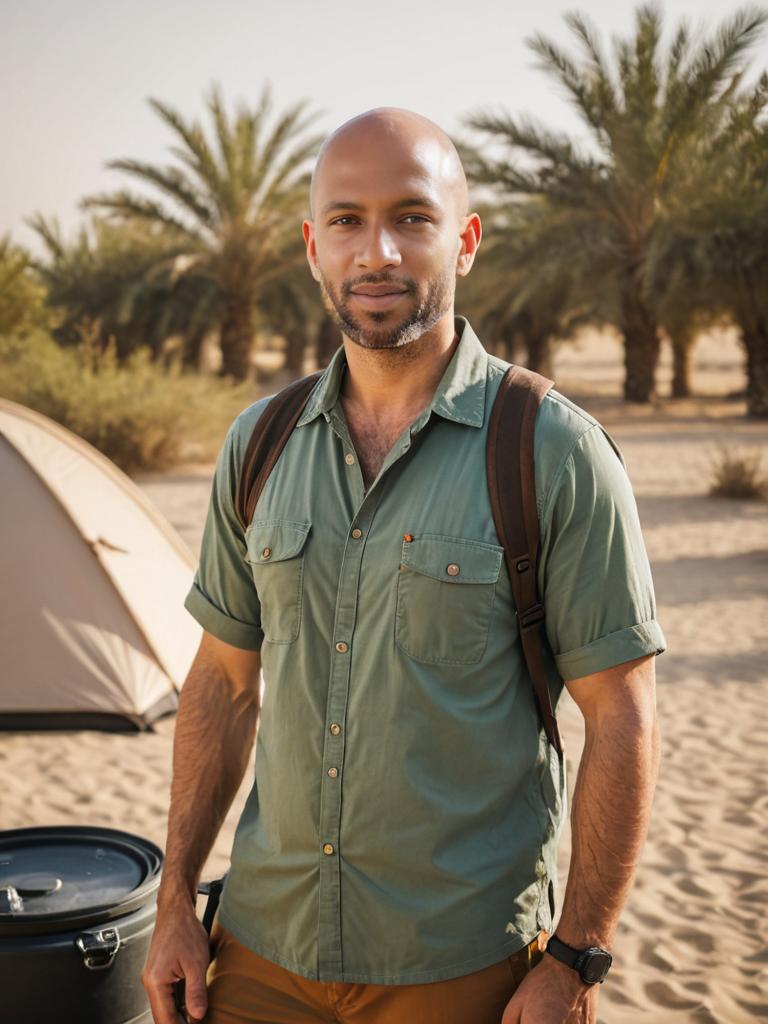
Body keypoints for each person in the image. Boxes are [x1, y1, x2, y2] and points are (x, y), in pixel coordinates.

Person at [142, 108, 666, 1024]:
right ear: (312, 246)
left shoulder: (551, 451)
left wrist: (575, 960)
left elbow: (621, 720)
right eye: (346, 220)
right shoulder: (257, 444)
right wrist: (175, 898)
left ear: (464, 241)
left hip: (466, 968)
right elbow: (224, 686)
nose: (375, 250)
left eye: (412, 217)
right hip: (262, 956)